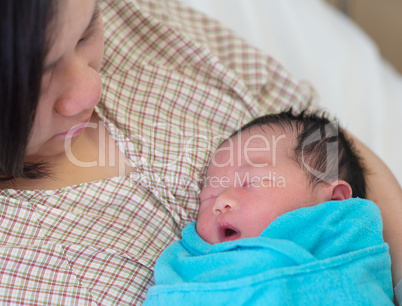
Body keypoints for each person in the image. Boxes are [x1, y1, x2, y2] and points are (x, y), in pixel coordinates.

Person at [0, 0, 401, 304]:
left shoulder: (133, 18)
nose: (92, 88)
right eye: (42, 78)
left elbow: (324, 141)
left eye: (86, 35)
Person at [144, 110, 393, 304]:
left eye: (251, 181)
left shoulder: (349, 250)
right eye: (210, 195)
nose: (221, 202)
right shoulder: (187, 266)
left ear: (334, 202)